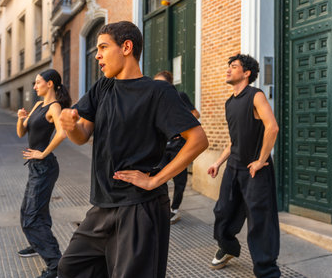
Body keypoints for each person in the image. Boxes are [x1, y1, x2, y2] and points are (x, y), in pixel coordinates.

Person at [58, 21, 208, 278]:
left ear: (126, 47)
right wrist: (69, 126)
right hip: (103, 205)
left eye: (103, 47)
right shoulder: (102, 87)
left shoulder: (157, 92)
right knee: (71, 267)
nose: (97, 55)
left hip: (141, 208)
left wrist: (155, 180)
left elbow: (198, 139)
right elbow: (82, 135)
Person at [207, 54, 280, 277]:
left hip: (256, 170)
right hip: (234, 168)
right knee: (222, 212)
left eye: (234, 66)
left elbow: (272, 127)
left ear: (246, 73)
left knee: (260, 221)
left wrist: (261, 160)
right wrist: (218, 162)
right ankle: (228, 247)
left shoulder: (255, 96)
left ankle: (267, 271)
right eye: (228, 66)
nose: (228, 70)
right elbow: (233, 140)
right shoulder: (230, 102)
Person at [16, 69, 72, 278]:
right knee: (31, 211)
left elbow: (62, 132)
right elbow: (22, 132)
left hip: (44, 167)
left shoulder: (54, 107)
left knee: (31, 217)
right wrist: (20, 118)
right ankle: (38, 244)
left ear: (49, 84)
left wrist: (43, 153)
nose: (34, 86)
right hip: (35, 167)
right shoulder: (38, 105)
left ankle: (55, 265)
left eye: (38, 82)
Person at [154, 70, 200, 224]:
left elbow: (195, 114)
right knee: (157, 176)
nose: (157, 86)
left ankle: (174, 210)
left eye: (161, 82)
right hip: (162, 146)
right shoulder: (155, 100)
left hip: (179, 146)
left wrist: (182, 127)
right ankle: (160, 207)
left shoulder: (180, 96)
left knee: (180, 180)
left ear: (169, 84)